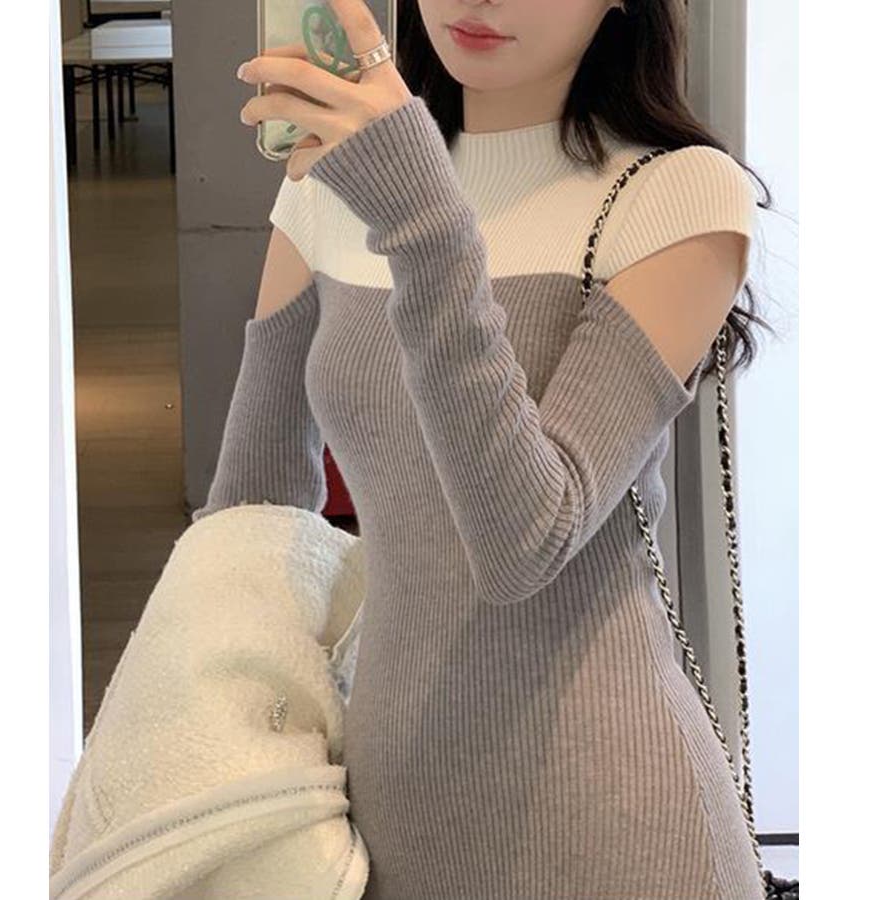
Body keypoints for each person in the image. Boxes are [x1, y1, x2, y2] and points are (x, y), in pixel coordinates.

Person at [195, 1, 775, 896]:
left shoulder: (677, 193)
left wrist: (422, 216)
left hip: (615, 828)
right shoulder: (328, 185)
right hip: (382, 817)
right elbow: (250, 521)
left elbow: (525, 544)